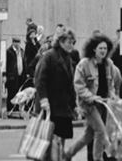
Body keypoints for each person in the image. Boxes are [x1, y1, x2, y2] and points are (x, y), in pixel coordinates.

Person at [67, 33, 122, 161]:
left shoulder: (109, 64)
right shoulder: (84, 64)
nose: (103, 51)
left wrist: (113, 96)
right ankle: (97, 159)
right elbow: (79, 85)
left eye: (105, 48)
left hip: (103, 104)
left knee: (88, 135)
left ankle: (68, 154)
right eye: (100, 48)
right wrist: (92, 97)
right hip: (89, 105)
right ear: (93, 49)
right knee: (101, 132)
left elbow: (111, 85)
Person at [34, 27, 77, 158]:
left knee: (61, 138)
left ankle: (57, 157)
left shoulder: (69, 58)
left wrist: (74, 105)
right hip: (51, 105)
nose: (71, 45)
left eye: (73, 42)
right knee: (49, 139)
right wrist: (43, 100)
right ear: (61, 42)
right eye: (69, 42)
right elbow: (41, 79)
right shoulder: (50, 55)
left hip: (64, 106)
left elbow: (70, 85)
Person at [5, 36, 25, 111]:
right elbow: (7, 64)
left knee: (18, 93)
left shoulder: (22, 51)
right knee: (11, 93)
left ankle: (16, 108)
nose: (17, 44)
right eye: (15, 42)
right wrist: (8, 75)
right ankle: (10, 109)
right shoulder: (9, 51)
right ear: (13, 43)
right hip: (12, 76)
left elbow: (24, 62)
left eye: (18, 42)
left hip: (20, 75)